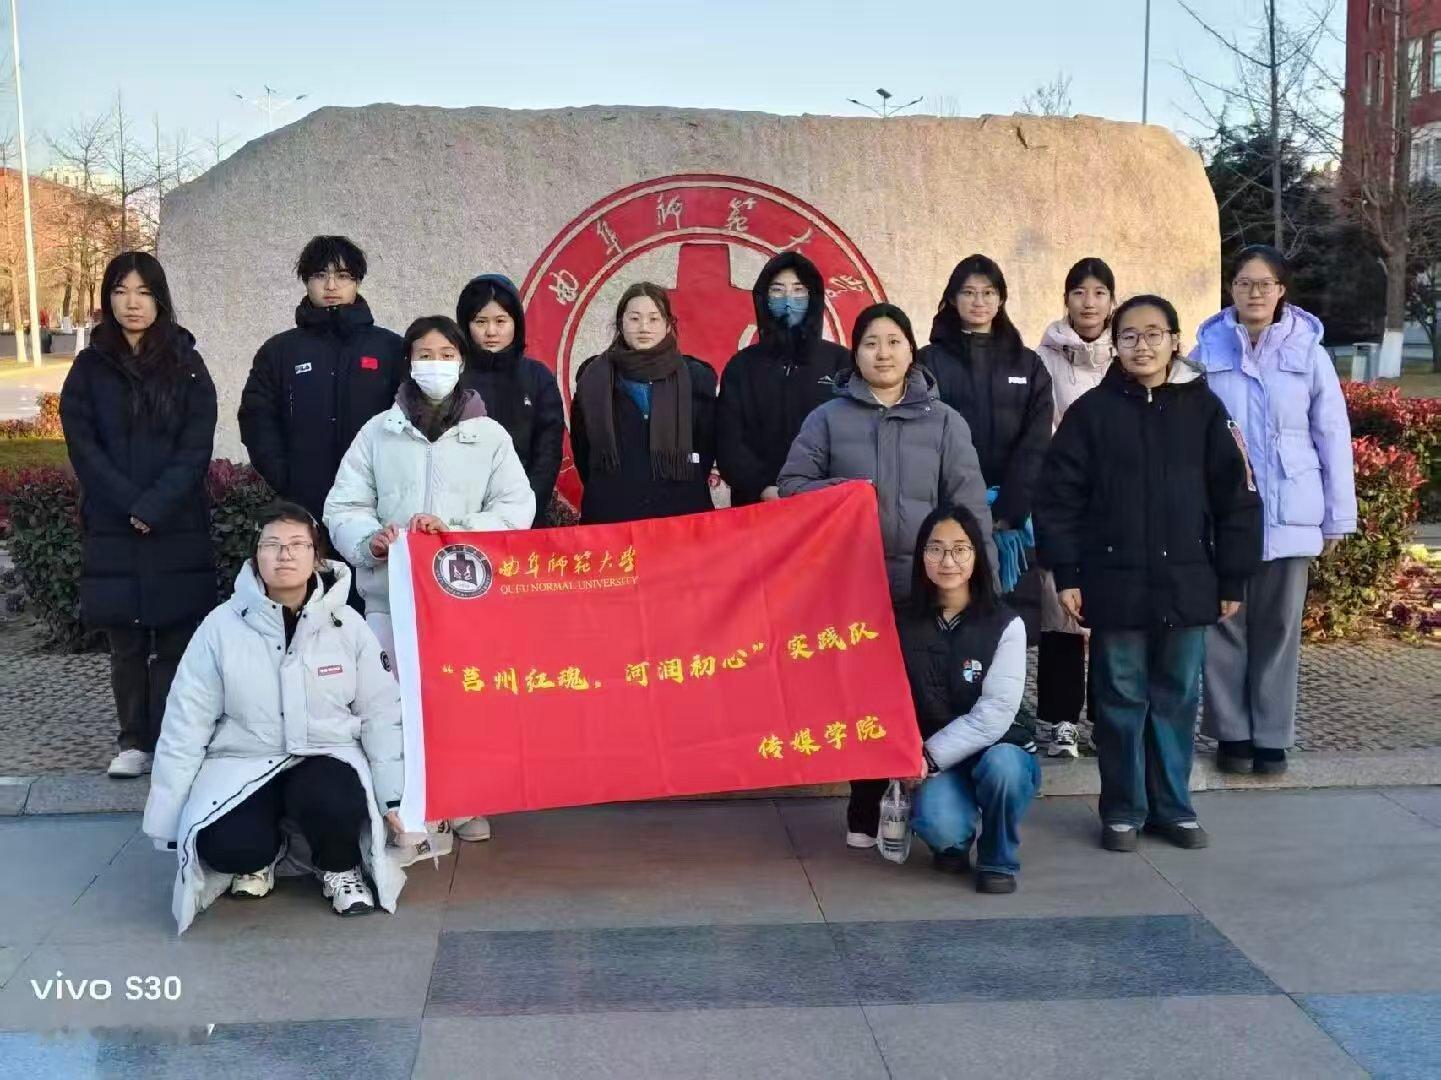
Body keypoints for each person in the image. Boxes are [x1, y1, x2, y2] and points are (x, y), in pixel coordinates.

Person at [1035, 295, 1262, 852]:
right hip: (1114, 585)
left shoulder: (1205, 410)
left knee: (1178, 697)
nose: (1142, 346)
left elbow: (1239, 497)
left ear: (1175, 341)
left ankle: (1173, 808)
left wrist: (1232, 578)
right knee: (1118, 698)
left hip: (1188, 584)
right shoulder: (1092, 413)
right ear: (1116, 345)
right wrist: (1067, 573)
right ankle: (1122, 811)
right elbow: (1058, 498)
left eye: (1154, 334)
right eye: (1130, 336)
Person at [778, 302, 994, 848]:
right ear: (855, 352)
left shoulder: (944, 421)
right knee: (864, 696)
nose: (883, 353)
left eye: (894, 342)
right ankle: (865, 802)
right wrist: (848, 496)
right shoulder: (828, 417)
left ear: (910, 350)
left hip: (931, 584)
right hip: (854, 583)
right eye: (871, 343)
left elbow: (968, 503)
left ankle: (933, 800)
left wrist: (980, 578)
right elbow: (793, 485)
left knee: (927, 690)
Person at [142, 502, 406, 931]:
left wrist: (394, 798)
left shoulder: (347, 624)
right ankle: (264, 856)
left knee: (334, 803)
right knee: (228, 847)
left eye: (297, 544)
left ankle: (339, 868)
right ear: (255, 556)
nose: (285, 555)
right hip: (243, 760)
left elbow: (381, 712)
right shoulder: (220, 628)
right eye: (273, 545)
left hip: (326, 755)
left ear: (317, 557)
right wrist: (168, 816)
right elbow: (185, 722)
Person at [325, 315, 534, 847]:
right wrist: (371, 539)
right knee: (388, 707)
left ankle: (463, 802)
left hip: (462, 604)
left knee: (459, 706)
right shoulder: (378, 432)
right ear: (408, 362)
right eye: (424, 354)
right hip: (391, 602)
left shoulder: (488, 436)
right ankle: (400, 805)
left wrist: (456, 532)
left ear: (461, 361)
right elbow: (343, 504)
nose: (434, 364)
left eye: (445, 354)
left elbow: (515, 509)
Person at [1192, 245, 1356, 776]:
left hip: (1292, 507)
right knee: (1224, 623)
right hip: (1225, 511)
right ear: (1231, 289)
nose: (1254, 293)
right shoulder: (1207, 346)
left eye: (1265, 284)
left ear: (1281, 290)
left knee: (1279, 629)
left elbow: (1332, 433)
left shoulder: (1309, 351)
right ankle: (1231, 734)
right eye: (1244, 283)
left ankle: (1271, 735)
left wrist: (1337, 516)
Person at [59, 251, 218, 779]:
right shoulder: (88, 368)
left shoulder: (188, 363)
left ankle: (174, 737)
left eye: (144, 292)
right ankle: (132, 740)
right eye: (122, 290)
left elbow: (196, 445)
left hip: (177, 521)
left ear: (160, 300)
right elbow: (83, 446)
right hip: (113, 522)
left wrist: (156, 505)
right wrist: (132, 505)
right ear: (107, 297)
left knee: (176, 637)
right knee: (125, 640)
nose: (133, 302)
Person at [900, 505, 1039, 894]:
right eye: (936, 549)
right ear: (921, 556)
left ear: (977, 555)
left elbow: (994, 714)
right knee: (938, 823)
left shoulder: (1006, 624)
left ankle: (998, 857)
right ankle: (955, 842)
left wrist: (925, 757)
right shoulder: (900, 620)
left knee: (1004, 769)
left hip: (998, 747)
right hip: (938, 761)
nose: (948, 561)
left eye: (960, 549)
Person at [238, 235, 407, 523]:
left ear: (357, 282)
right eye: (319, 275)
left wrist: (390, 478)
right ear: (306, 282)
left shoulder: (391, 348)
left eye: (342, 276)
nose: (331, 286)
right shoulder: (279, 351)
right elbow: (257, 418)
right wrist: (285, 476)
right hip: (303, 505)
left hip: (375, 503)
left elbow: (410, 418)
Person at [918, 255, 1053, 608]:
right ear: (952, 298)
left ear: (1001, 299)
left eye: (988, 292)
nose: (979, 302)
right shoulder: (928, 361)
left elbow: (1037, 441)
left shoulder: (1027, 363)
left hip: (1013, 516)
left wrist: (1010, 507)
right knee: (949, 605)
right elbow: (924, 435)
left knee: (1011, 614)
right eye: (969, 292)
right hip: (948, 506)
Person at [1032, 257, 1116, 759]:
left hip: (1115, 501)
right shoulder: (1041, 357)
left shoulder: (1126, 352)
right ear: (1066, 299)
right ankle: (1058, 719)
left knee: (1111, 613)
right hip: (1063, 494)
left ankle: (1108, 719)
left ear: (1111, 299)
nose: (1089, 302)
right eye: (1079, 292)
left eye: (1099, 292)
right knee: (1061, 611)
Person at [570, 283, 718, 524]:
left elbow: (705, 445)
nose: (644, 328)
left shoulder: (696, 378)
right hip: (612, 514)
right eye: (635, 318)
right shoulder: (593, 378)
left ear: (668, 325)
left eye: (653, 319)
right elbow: (584, 450)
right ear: (620, 323)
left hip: (681, 514)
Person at [716, 253, 849, 506]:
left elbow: (850, 435)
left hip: (823, 505)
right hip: (756, 505)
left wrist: (815, 488)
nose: (788, 299)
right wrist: (763, 487)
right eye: (777, 290)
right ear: (764, 299)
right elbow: (729, 442)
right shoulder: (741, 366)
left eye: (798, 290)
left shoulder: (840, 362)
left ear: (813, 298)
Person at [455, 273, 566, 523]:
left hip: (525, 514)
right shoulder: (454, 377)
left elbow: (547, 453)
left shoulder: (537, 377)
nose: (491, 331)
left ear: (516, 324)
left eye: (501, 321)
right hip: (461, 516)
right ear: (465, 325)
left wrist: (526, 508)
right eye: (480, 321)